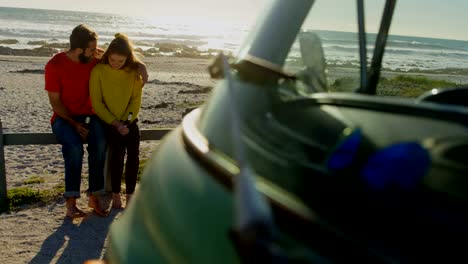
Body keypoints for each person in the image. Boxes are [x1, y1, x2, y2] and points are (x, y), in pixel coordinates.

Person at [44, 24, 147, 218]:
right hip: (63, 118)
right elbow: (55, 103)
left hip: (91, 117)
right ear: (79, 49)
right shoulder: (55, 65)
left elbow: (121, 55)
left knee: (99, 143)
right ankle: (71, 203)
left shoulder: (93, 58)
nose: (96, 52)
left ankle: (95, 197)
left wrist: (141, 66)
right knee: (74, 147)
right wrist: (75, 124)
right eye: (92, 49)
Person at [90, 33, 144, 209]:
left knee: (134, 157)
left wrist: (126, 122)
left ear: (127, 59)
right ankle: (116, 196)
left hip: (129, 122)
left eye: (120, 61)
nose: (116, 64)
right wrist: (116, 124)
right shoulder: (98, 71)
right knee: (117, 156)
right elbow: (97, 103)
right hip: (110, 123)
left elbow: (136, 100)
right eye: (113, 60)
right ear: (108, 55)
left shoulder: (133, 72)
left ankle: (130, 196)